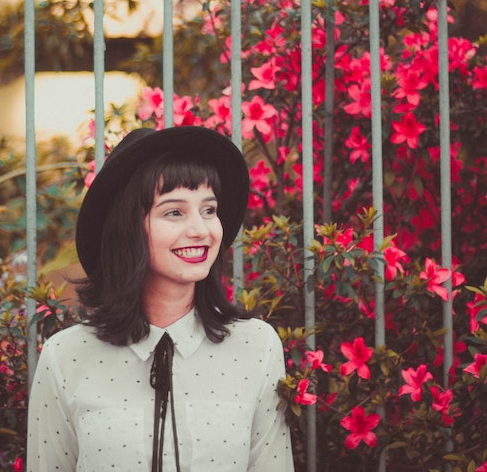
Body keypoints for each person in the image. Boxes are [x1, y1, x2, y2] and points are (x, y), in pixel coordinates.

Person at [26, 126, 293, 472]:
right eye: (174, 212)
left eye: (209, 210)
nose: (200, 229)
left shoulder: (258, 348)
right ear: (128, 228)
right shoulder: (66, 357)